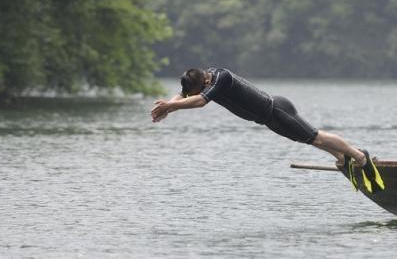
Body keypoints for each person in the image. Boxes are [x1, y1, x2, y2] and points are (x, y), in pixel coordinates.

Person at [150, 67, 384, 192]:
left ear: (204, 83)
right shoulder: (201, 80)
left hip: (278, 110)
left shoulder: (222, 78)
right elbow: (183, 95)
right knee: (311, 141)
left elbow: (200, 101)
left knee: (317, 137)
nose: (190, 95)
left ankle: (360, 156)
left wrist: (171, 106)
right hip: (269, 120)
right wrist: (169, 106)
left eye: (195, 91)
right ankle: (343, 158)